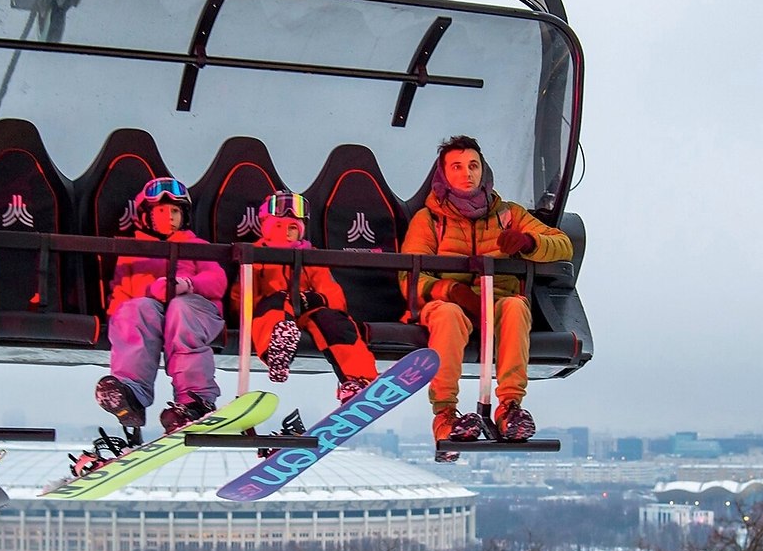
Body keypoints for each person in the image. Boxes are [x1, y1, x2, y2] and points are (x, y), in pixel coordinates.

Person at [400, 135, 572, 455]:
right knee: (448, 315)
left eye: (473, 165)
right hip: (449, 305)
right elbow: (409, 276)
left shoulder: (507, 215)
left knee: (516, 307)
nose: (467, 173)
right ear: (443, 174)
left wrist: (529, 243)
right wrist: (452, 290)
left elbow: (563, 244)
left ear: (483, 170)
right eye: (457, 166)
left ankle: (509, 409)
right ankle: (446, 415)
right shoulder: (430, 221)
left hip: (495, 302)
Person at [96, 177, 228, 434]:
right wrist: (147, 295)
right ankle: (131, 392)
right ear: (146, 215)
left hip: (195, 309)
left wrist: (187, 284)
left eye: (175, 211)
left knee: (182, 311)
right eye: (161, 211)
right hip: (152, 312)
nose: (169, 217)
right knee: (135, 310)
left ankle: (195, 399)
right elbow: (121, 294)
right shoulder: (134, 250)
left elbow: (217, 281)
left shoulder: (196, 247)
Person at [235, 190, 379, 402]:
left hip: (306, 310)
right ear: (266, 227)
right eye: (278, 226)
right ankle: (277, 349)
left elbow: (333, 294)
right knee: (274, 307)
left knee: (335, 323)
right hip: (273, 308)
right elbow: (240, 297)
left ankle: (358, 379)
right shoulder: (255, 255)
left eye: (292, 228)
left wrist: (316, 299)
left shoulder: (310, 256)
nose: (286, 233)